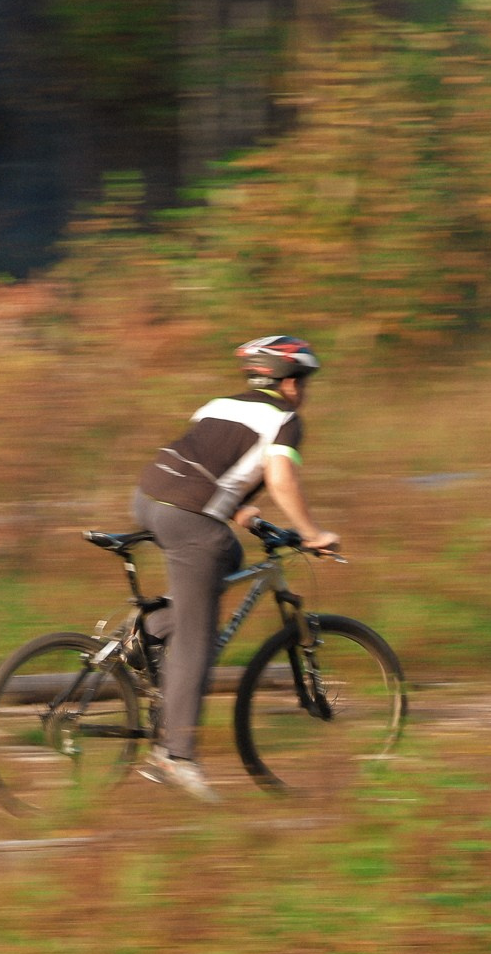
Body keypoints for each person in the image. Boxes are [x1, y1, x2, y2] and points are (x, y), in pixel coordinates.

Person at [131, 334, 340, 801]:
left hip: (147, 499)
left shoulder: (218, 404)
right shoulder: (286, 419)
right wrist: (311, 532)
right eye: (303, 381)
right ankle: (175, 755)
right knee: (198, 639)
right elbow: (280, 476)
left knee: (226, 556)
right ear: (287, 381)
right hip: (188, 516)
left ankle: (150, 632)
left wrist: (245, 512)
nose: (304, 391)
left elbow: (216, 465)